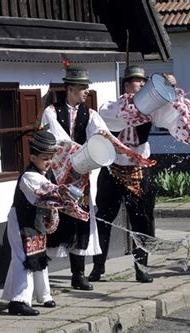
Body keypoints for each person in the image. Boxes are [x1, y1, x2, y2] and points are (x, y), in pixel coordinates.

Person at [90, 66, 190, 283]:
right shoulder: (112, 106)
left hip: (139, 169)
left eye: (143, 82)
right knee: (104, 219)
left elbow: (173, 117)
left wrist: (171, 89)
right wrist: (138, 106)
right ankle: (98, 266)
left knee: (143, 221)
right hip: (112, 168)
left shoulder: (152, 110)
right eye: (137, 82)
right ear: (127, 85)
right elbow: (118, 118)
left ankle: (141, 267)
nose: (141, 85)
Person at [2, 130, 88, 315]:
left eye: (50, 158)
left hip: (35, 220)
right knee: (24, 259)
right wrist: (66, 194)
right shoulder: (29, 176)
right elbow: (48, 191)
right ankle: (18, 301)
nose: (49, 162)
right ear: (33, 157)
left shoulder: (44, 173)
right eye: (44, 158)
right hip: (21, 221)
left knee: (38, 256)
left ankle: (44, 295)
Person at [41, 66, 108, 290]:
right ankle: (39, 274)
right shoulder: (51, 111)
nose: (86, 91)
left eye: (86, 88)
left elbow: (100, 134)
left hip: (81, 176)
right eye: (82, 87)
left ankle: (78, 274)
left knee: (81, 221)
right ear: (70, 88)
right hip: (58, 176)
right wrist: (79, 150)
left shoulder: (90, 114)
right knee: (53, 220)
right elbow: (57, 138)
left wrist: (103, 143)